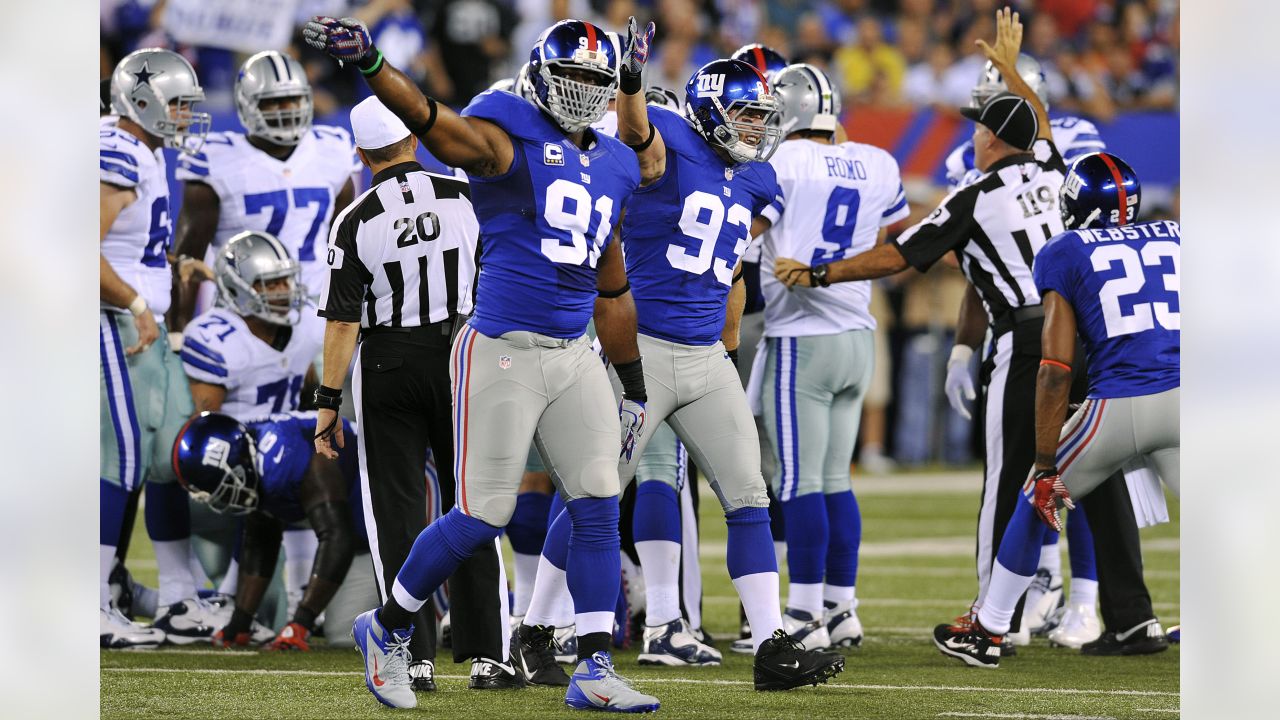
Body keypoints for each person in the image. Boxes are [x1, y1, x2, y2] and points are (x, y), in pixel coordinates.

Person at [303, 16, 657, 712]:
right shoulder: (506, 129)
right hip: (500, 348)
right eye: (573, 77)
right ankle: (392, 625)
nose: (585, 93)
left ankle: (589, 665)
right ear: (540, 77)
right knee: (483, 512)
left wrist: (634, 379)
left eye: (597, 80)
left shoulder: (615, 160)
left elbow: (613, 283)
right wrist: (374, 62)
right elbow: (434, 123)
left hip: (575, 350)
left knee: (596, 501)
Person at [772, 7, 1067, 652]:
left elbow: (899, 254)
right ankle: (1062, 600)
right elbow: (1038, 127)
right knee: (1056, 479)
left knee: (1005, 483)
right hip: (1076, 339)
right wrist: (1017, 75)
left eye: (982, 128)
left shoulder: (975, 196)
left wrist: (821, 273)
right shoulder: (1051, 170)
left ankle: (993, 622)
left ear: (991, 138)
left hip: (1021, 343)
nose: (976, 137)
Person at [587, 18, 845, 690]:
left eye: (764, 116)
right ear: (709, 111)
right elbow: (639, 141)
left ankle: (769, 646)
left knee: (748, 496)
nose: (758, 127)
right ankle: (538, 623)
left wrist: (730, 352)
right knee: (592, 494)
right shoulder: (671, 137)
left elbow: (731, 272)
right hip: (641, 350)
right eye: (747, 114)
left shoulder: (757, 181)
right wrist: (633, 81)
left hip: (705, 356)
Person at [934, 151, 1177, 667]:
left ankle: (989, 629)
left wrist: (1046, 461)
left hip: (1122, 403)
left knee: (1035, 495)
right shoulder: (1176, 236)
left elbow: (1055, 367)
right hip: (1188, 401)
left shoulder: (1064, 249)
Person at [313, 95, 516, 694]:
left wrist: (328, 403)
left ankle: (412, 652)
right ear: (414, 137)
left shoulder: (354, 218)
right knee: (472, 504)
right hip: (462, 352)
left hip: (388, 363)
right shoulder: (462, 194)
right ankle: (489, 653)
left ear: (361, 152)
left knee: (396, 512)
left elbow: (343, 322)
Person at [940, 48, 1109, 646]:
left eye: (996, 107)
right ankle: (1038, 584)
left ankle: (1078, 594)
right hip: (1019, 319)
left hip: (1076, 316)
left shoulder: (1066, 142)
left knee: (1081, 465)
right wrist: (965, 346)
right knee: (1030, 465)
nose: (982, 122)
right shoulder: (973, 161)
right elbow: (978, 260)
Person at [756, 63, 911, 651]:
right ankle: (841, 608)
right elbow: (895, 240)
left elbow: (743, 233)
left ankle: (801, 616)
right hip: (858, 335)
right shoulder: (878, 161)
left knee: (797, 482)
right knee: (835, 480)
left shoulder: (781, 164)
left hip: (802, 337)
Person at [100, 47, 220, 649]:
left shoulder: (143, 149)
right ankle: (94, 599)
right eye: (177, 103)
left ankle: (178, 595)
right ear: (141, 99)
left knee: (170, 453)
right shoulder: (115, 149)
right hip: (115, 324)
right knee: (115, 461)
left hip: (139, 326)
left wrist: (171, 269)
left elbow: (130, 241)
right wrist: (138, 301)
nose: (184, 116)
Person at [172, 50, 359, 332]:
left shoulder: (331, 150)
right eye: (273, 102)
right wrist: (178, 334)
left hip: (316, 312)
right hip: (243, 315)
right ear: (247, 105)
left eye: (293, 99)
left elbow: (347, 250)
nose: (286, 109)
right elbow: (187, 263)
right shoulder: (216, 159)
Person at [172, 411, 377, 651]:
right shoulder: (254, 459)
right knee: (344, 632)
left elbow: (337, 537)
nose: (227, 500)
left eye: (225, 489)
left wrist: (301, 623)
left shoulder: (286, 454)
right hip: (363, 540)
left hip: (401, 528)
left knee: (410, 622)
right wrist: (240, 623)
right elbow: (261, 538)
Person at [181, 231, 319, 420]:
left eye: (285, 281)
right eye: (270, 285)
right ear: (235, 289)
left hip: (290, 440)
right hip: (238, 444)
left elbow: (311, 401)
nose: (283, 292)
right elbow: (206, 430)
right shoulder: (217, 341)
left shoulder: (305, 323)